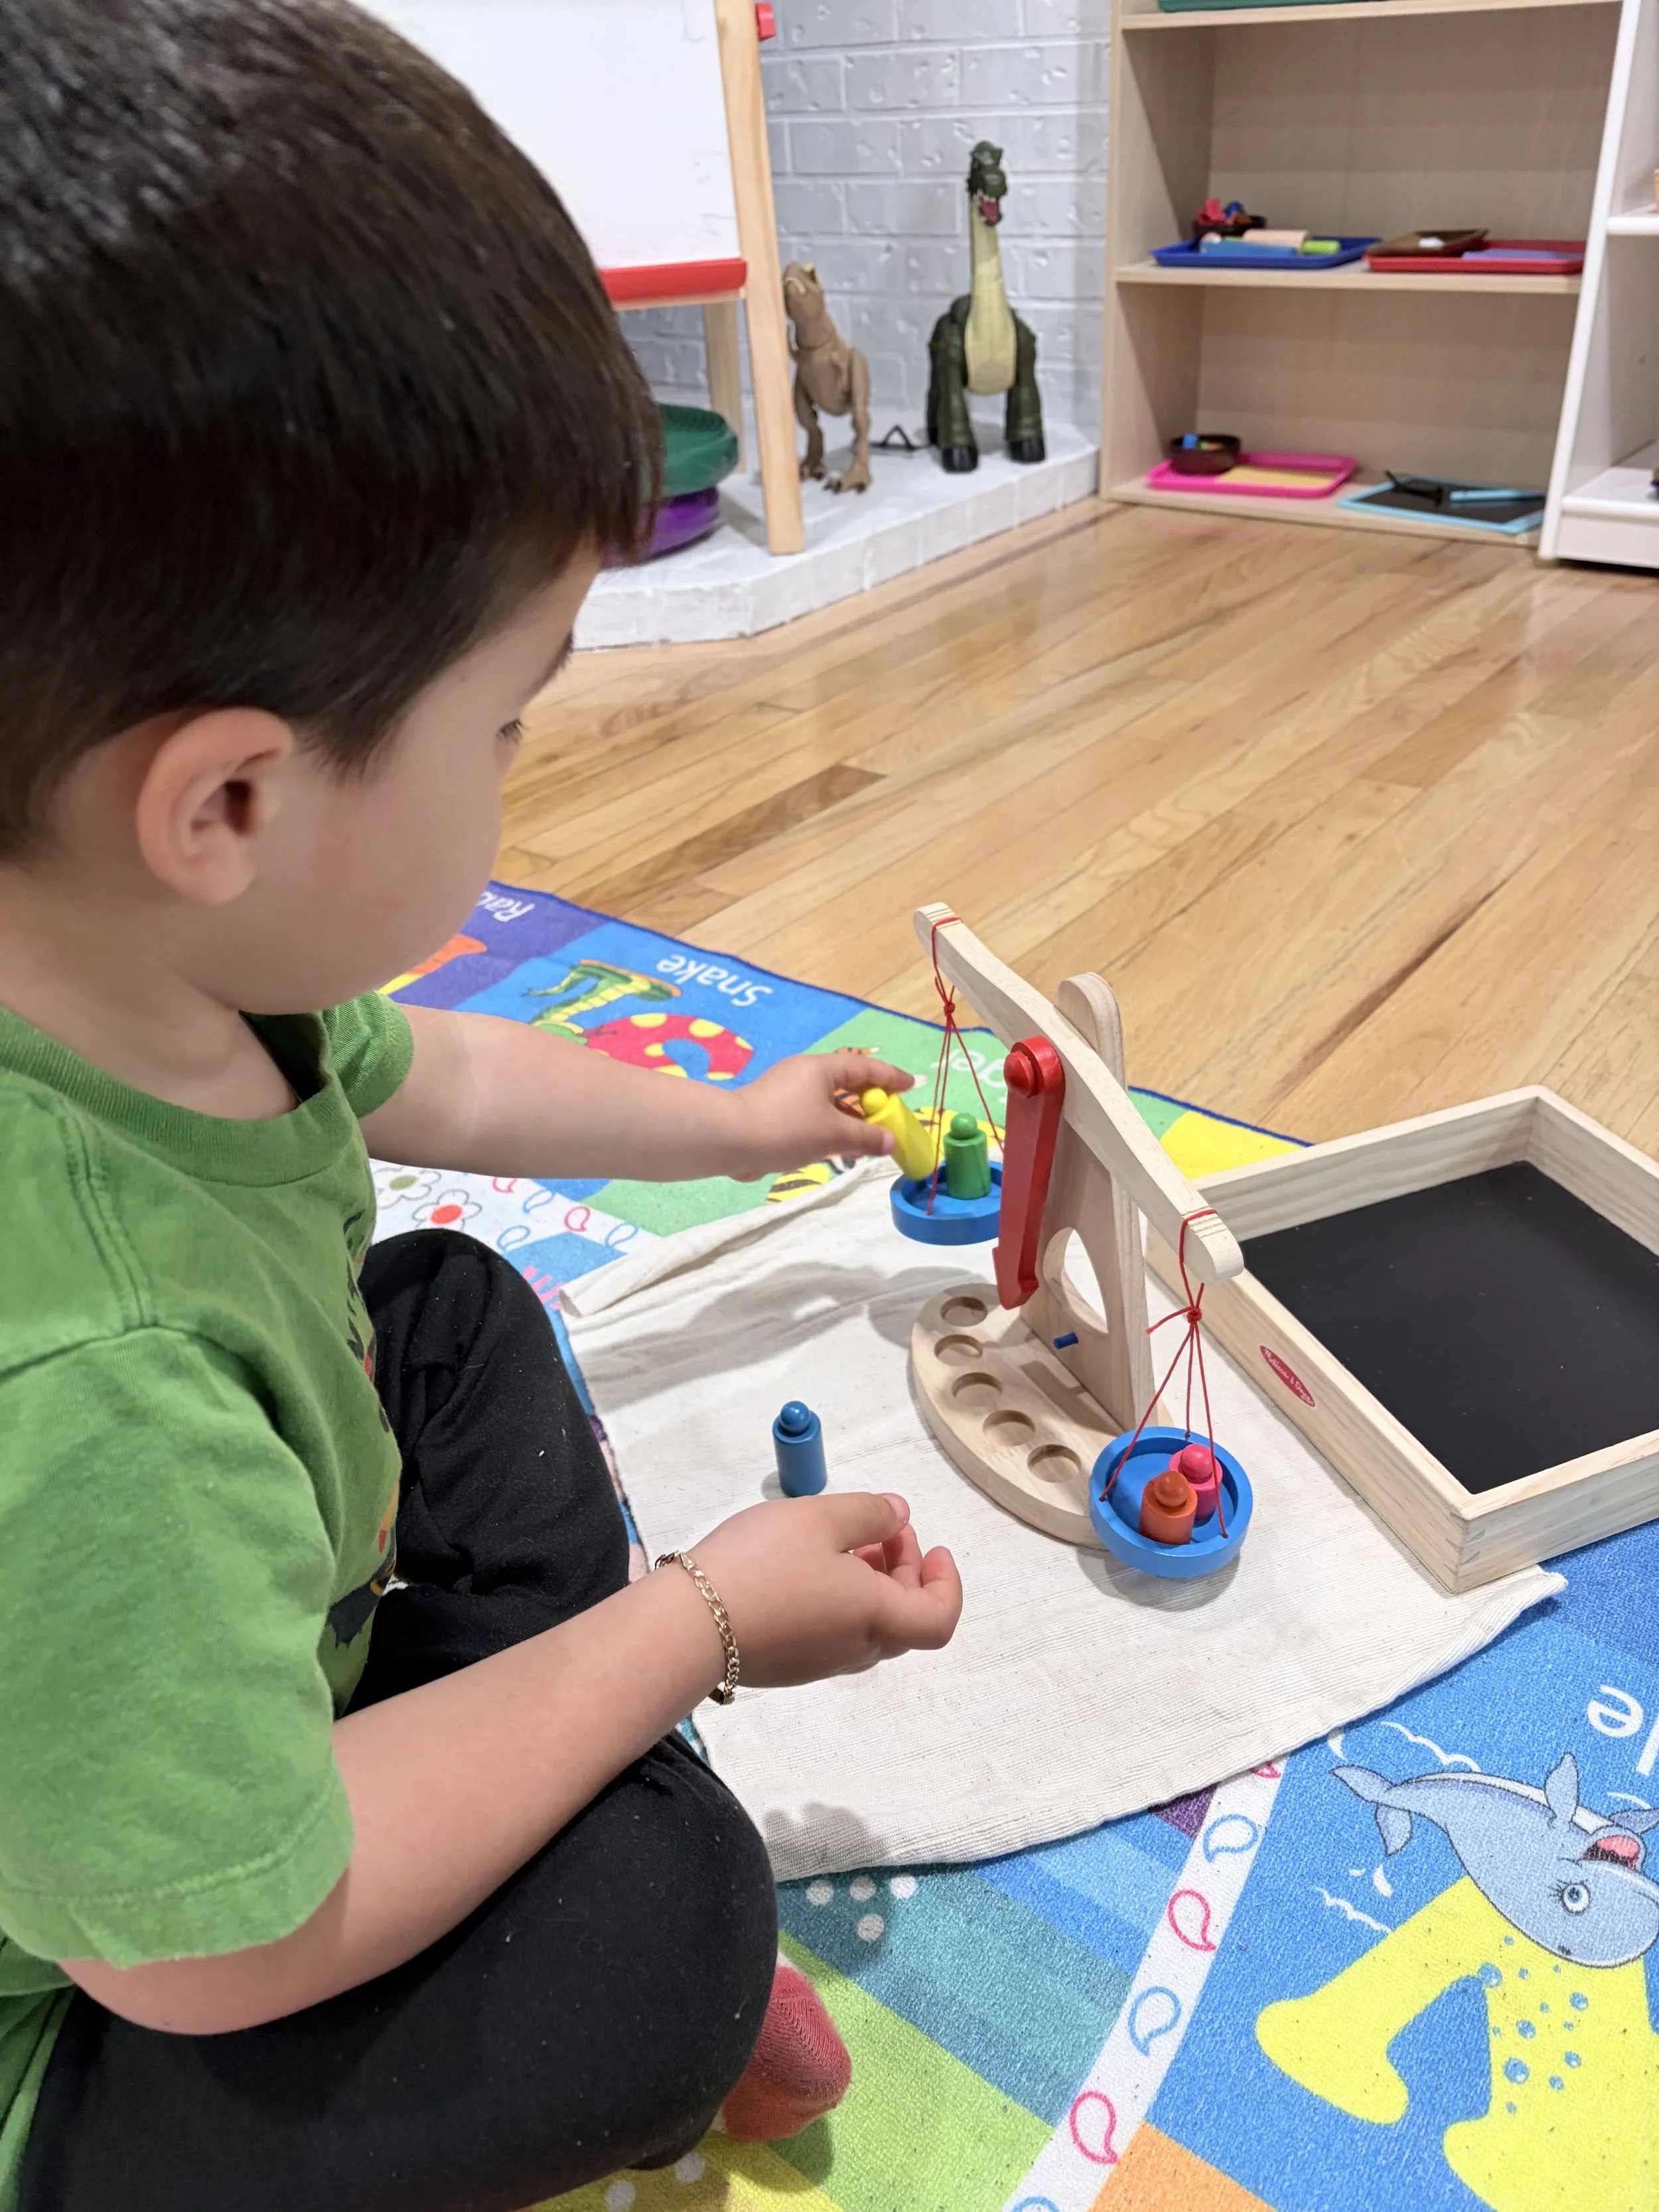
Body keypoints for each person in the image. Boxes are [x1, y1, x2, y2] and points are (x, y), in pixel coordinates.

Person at [0, 5, 965, 2207]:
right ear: (226, 799)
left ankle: (503, 1741)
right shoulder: (92, 1378)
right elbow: (223, 1951)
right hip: (107, 1998)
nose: (529, 769)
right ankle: (561, 1789)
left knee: (436, 1301)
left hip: (177, 1662)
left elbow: (437, 1068)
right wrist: (695, 1628)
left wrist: (744, 1119)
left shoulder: (152, 964)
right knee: (657, 1945)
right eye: (515, 720)